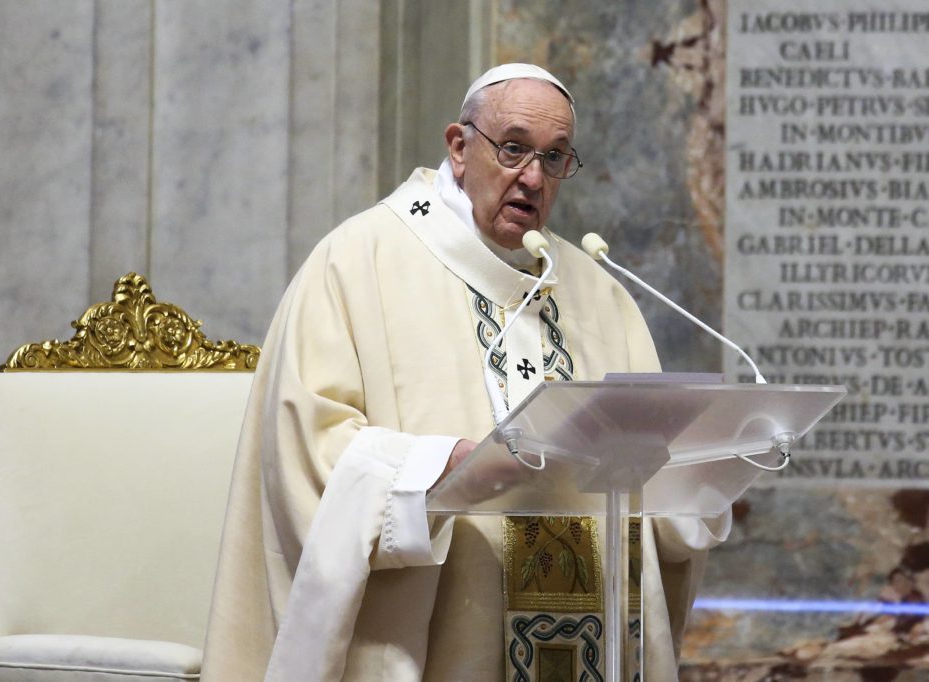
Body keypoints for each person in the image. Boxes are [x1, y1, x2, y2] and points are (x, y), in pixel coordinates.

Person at [202, 63, 729, 681]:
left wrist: (706, 470)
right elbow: (306, 457)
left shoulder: (596, 291)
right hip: (439, 641)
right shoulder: (357, 263)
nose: (533, 177)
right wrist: (440, 468)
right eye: (513, 149)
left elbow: (657, 470)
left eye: (555, 158)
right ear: (459, 146)